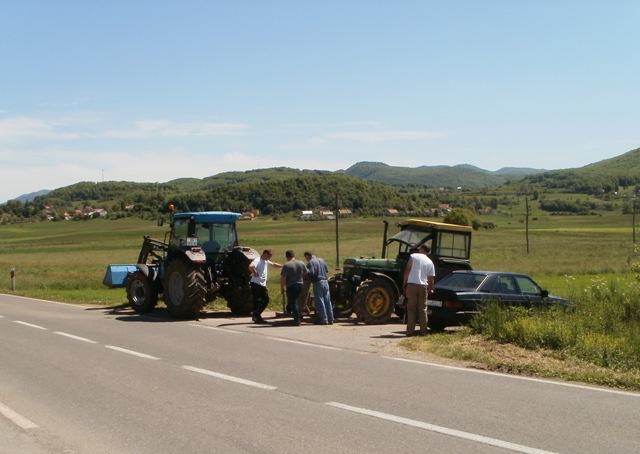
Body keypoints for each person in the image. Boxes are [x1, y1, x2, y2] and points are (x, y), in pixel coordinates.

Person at [402, 244, 435, 336]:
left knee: (411, 308)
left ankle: (410, 331)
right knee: (423, 309)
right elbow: (431, 278)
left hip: (412, 284)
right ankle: (423, 331)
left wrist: (404, 282)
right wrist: (430, 288)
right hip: (423, 286)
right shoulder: (430, 262)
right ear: (428, 252)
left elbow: (408, 269)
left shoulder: (414, 256)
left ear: (421, 249)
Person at [248, 248, 283, 324]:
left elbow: (273, 264)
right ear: (265, 254)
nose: (270, 258)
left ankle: (256, 314)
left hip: (261, 284)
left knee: (264, 300)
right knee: (260, 300)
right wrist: (255, 272)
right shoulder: (258, 260)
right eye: (269, 256)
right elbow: (251, 266)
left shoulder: (266, 261)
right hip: (256, 283)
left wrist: (283, 266)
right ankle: (256, 315)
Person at [304, 251, 333, 325]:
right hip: (325, 282)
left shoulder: (311, 262)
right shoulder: (321, 260)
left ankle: (323, 319)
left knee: (320, 301)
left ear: (307, 256)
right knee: (327, 301)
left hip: (318, 282)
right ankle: (331, 319)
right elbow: (326, 270)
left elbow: (311, 273)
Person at [280, 250, 307, 325]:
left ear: (287, 257)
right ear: (294, 256)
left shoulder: (287, 265)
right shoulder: (301, 263)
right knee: (295, 300)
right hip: (301, 285)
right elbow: (306, 273)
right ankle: (289, 310)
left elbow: (283, 278)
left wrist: (282, 288)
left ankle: (297, 320)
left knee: (293, 303)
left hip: (291, 286)